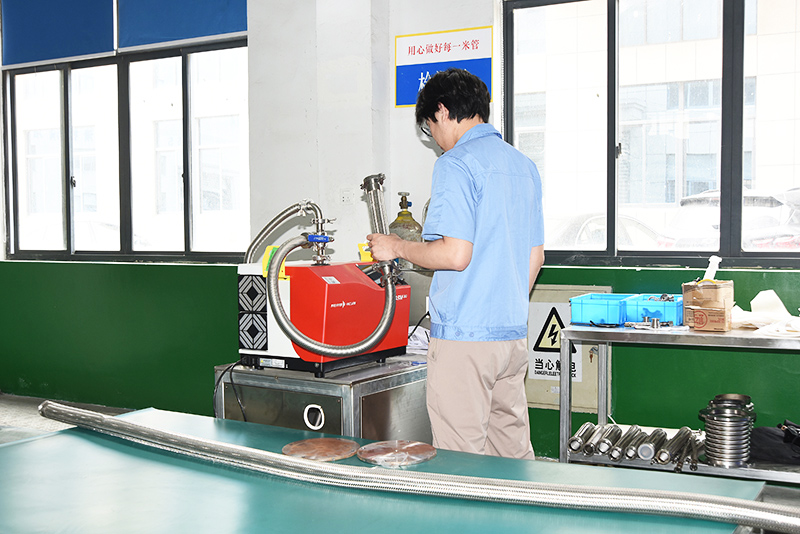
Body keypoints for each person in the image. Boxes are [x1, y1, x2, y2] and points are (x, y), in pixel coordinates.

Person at [367, 68, 544, 460]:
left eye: (430, 126)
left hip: (465, 340)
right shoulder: (523, 165)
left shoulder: (456, 163)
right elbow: (536, 257)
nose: (434, 137)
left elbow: (454, 254)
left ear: (443, 111)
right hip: (511, 335)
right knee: (511, 454)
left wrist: (397, 246)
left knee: (460, 460)